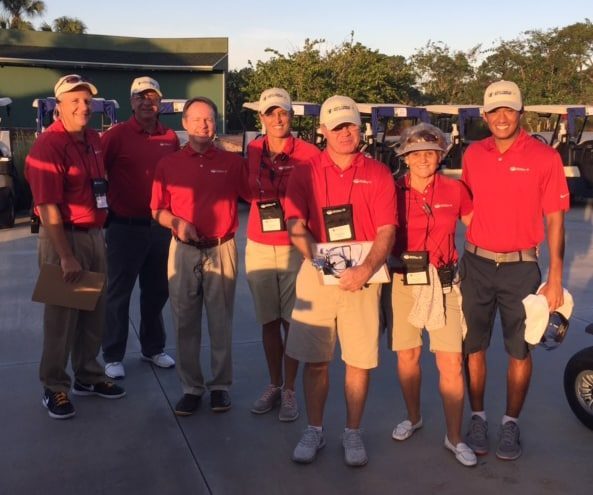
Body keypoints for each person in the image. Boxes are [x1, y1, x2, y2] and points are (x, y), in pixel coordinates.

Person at [284, 95, 396, 466]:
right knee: (316, 361)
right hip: (318, 273)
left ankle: (352, 431)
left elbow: (386, 231)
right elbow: (296, 225)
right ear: (322, 131)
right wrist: (321, 262)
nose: (345, 133)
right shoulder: (305, 172)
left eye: (350, 125)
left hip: (364, 276)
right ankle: (314, 429)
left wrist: (364, 270)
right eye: (337, 127)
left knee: (358, 361)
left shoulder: (378, 172)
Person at [461, 80, 569, 460]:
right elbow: (466, 201)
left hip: (521, 270)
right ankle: (477, 417)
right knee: (473, 346)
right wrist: (481, 231)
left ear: (521, 112)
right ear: (484, 115)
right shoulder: (473, 154)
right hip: (475, 264)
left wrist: (555, 276)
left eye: (509, 110)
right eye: (494, 111)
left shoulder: (545, 158)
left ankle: (510, 423)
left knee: (520, 351)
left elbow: (555, 220)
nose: (501, 118)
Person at [25, 74, 125, 420]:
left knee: (93, 313)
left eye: (87, 101)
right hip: (63, 239)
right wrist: (65, 255)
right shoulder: (48, 146)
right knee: (61, 318)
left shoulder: (93, 140)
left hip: (94, 234)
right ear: (59, 106)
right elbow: (49, 207)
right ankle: (54, 387)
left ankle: (88, 375)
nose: (83, 107)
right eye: (75, 102)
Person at [382, 123, 476, 467]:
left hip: (445, 282)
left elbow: (478, 225)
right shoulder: (392, 191)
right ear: (405, 158)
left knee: (450, 361)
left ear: (440, 156)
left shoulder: (456, 190)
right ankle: (414, 417)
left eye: (430, 153)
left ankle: (454, 437)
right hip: (404, 282)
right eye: (415, 153)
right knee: (408, 356)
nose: (423, 159)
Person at [150, 97, 246, 416]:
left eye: (209, 119)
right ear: (185, 124)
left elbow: (257, 195)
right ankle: (191, 387)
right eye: (198, 120)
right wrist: (176, 221)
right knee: (184, 322)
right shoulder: (169, 165)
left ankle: (220, 386)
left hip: (222, 247)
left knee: (220, 321)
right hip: (183, 250)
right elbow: (157, 210)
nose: (205, 125)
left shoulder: (233, 163)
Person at [246, 88, 320, 422]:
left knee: (292, 321)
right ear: (260, 117)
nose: (277, 118)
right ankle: (273, 383)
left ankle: (290, 389)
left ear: (291, 116)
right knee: (268, 320)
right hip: (259, 245)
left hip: (294, 247)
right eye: (271, 112)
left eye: (283, 112)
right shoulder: (251, 150)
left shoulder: (308, 153)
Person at [101, 76, 179, 379]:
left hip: (160, 227)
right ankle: (113, 354)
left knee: (156, 291)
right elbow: (98, 173)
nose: (147, 102)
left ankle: (153, 348)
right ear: (132, 102)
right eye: (140, 97)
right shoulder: (115, 136)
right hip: (124, 227)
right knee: (118, 293)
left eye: (152, 97)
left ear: (160, 102)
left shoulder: (170, 137)